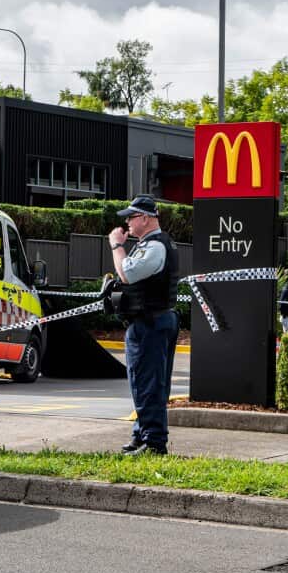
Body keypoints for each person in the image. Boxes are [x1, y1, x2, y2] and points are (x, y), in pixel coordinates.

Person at [107, 195, 179, 457]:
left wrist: (117, 245)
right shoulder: (152, 244)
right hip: (153, 320)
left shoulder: (155, 247)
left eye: (131, 217)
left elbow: (127, 273)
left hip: (150, 322)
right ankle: (142, 434)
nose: (127, 222)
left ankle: (154, 442)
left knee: (147, 383)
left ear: (146, 218)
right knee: (149, 382)